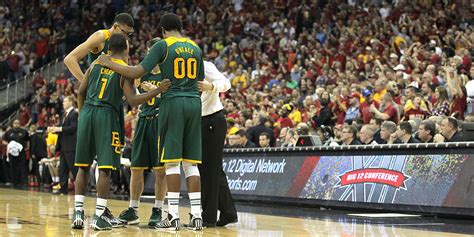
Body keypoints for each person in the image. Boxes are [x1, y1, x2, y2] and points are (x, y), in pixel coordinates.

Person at [98, 13, 205, 231]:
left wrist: (108, 62)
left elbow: (137, 71)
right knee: (191, 164)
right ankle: (196, 216)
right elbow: (199, 80)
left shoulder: (163, 46)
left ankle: (173, 216)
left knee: (172, 163)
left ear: (163, 31)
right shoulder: (195, 47)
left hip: (173, 102)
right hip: (194, 102)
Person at [71, 34, 171, 231]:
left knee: (82, 167)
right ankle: (100, 215)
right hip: (106, 115)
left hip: (87, 113)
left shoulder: (95, 65)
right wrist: (157, 91)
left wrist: (83, 115)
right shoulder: (125, 71)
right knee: (105, 168)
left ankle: (78, 213)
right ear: (126, 48)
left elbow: (80, 91)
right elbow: (133, 101)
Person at [117, 38, 168, 228]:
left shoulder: (167, 72)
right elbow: (128, 91)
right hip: (143, 122)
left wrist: (156, 90)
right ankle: (133, 210)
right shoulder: (141, 73)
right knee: (136, 168)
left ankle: (158, 209)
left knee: (160, 170)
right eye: (149, 51)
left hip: (160, 123)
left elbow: (174, 97)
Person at [198, 60, 238, 227]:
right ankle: (228, 212)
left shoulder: (204, 65)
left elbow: (225, 83)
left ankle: (208, 217)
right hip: (199, 122)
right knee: (210, 170)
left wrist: (211, 87)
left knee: (211, 170)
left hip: (213, 119)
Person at [64, 13, 135, 82]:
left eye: (129, 34)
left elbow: (125, 71)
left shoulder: (124, 43)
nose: (125, 36)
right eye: (124, 32)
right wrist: (86, 85)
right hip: (96, 86)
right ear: (115, 26)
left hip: (112, 88)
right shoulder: (100, 37)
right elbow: (69, 59)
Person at [47, 96, 78, 195]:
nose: (63, 103)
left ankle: (80, 190)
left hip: (71, 146)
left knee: (74, 169)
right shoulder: (64, 114)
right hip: (63, 145)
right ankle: (63, 190)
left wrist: (59, 129)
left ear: (70, 102)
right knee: (63, 170)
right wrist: (54, 130)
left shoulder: (74, 113)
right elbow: (63, 129)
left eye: (65, 101)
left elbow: (74, 128)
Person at [3, 120, 29, 187]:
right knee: (12, 167)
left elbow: (28, 140)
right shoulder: (9, 132)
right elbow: (3, 141)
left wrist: (27, 147)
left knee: (23, 166)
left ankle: (24, 181)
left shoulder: (24, 132)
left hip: (21, 152)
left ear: (20, 124)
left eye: (18, 123)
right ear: (13, 124)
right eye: (15, 123)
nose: (16, 124)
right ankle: (14, 182)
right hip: (12, 152)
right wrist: (10, 144)